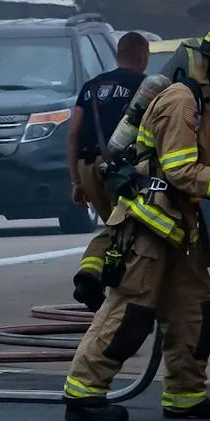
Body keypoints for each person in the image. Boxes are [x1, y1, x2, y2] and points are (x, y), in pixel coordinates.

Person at [61, 21, 210, 421]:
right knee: (130, 312)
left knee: (195, 310)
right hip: (150, 223)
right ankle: (83, 393)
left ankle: (186, 395)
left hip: (182, 227)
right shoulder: (181, 101)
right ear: (209, 66)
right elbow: (179, 170)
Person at [68, 31, 153, 312]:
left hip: (88, 167)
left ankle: (93, 274)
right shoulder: (146, 87)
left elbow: (74, 134)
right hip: (124, 173)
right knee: (129, 230)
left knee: (115, 227)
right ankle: (102, 283)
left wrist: (76, 181)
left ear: (118, 54)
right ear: (143, 56)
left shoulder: (91, 87)